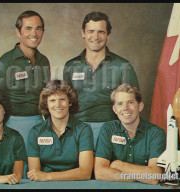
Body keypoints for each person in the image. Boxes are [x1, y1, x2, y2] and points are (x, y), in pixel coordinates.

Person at [63, 12, 139, 145]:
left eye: (101, 32)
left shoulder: (122, 65)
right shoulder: (70, 66)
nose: (95, 37)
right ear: (83, 33)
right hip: (78, 130)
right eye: (91, 31)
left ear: (108, 35)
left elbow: (134, 103)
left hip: (112, 130)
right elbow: (65, 102)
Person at [0, 10, 50, 143]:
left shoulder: (43, 61)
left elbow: (46, 95)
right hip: (13, 123)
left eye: (38, 29)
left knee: (38, 163)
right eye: (28, 28)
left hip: (40, 122)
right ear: (18, 32)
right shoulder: (5, 61)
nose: (34, 34)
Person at [94, 84, 166, 185]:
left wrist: (118, 165)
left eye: (130, 102)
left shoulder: (156, 133)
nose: (125, 108)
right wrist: (139, 177)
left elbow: (154, 177)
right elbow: (100, 173)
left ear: (140, 106)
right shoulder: (108, 129)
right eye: (120, 104)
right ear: (114, 109)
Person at [27, 80, 94, 181]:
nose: (58, 105)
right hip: (45, 186)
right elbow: (34, 173)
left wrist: (48, 176)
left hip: (75, 184)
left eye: (62, 99)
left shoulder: (83, 130)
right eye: (52, 100)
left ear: (70, 102)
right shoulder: (36, 132)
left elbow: (85, 173)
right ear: (46, 104)